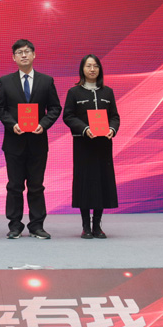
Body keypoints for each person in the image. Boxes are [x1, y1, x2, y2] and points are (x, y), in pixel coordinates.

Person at [0, 39, 62, 240]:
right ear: (13, 57)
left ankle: (37, 225)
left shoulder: (46, 81)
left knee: (36, 186)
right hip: (13, 142)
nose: (23, 55)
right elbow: (0, 109)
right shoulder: (5, 81)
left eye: (27, 51)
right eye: (19, 52)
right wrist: (12, 124)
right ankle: (15, 225)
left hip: (37, 142)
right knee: (14, 186)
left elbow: (55, 108)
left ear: (34, 55)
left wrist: (43, 124)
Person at [62, 54, 120, 239]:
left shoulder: (107, 92)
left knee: (102, 182)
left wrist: (112, 129)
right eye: (88, 66)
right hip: (83, 145)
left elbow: (115, 116)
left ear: (100, 69)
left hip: (103, 145)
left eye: (95, 66)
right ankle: (86, 226)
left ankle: (97, 226)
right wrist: (85, 129)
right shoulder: (74, 92)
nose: (92, 69)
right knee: (85, 183)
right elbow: (68, 116)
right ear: (82, 69)